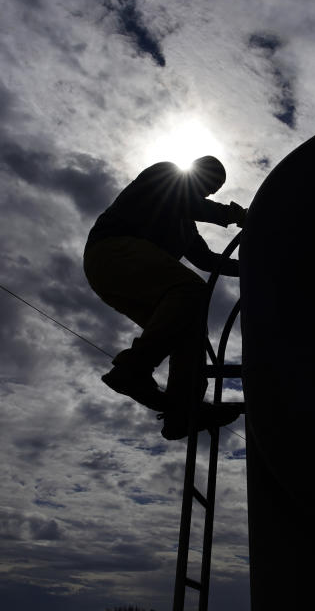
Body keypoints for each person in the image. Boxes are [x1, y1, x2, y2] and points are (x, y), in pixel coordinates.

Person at [83, 156, 247, 440]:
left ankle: (182, 412)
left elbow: (208, 261)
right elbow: (185, 200)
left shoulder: (186, 227)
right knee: (193, 291)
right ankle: (133, 369)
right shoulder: (166, 174)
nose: (208, 190)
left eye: (213, 188)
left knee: (190, 328)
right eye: (208, 181)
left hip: (124, 276)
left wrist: (253, 266)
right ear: (193, 169)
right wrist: (235, 215)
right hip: (111, 252)